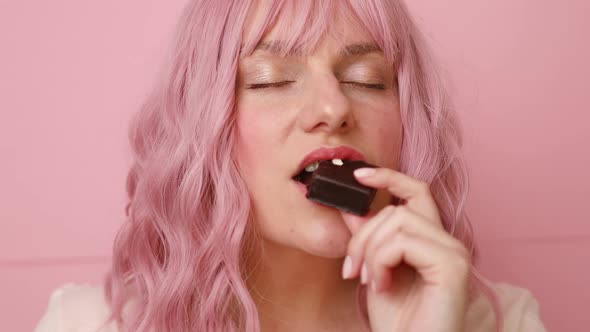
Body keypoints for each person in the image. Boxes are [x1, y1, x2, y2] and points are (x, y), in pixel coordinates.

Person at [34, 0, 547, 331]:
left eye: (369, 79)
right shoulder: (86, 324)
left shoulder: (504, 322)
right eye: (270, 80)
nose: (333, 109)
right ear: (204, 130)